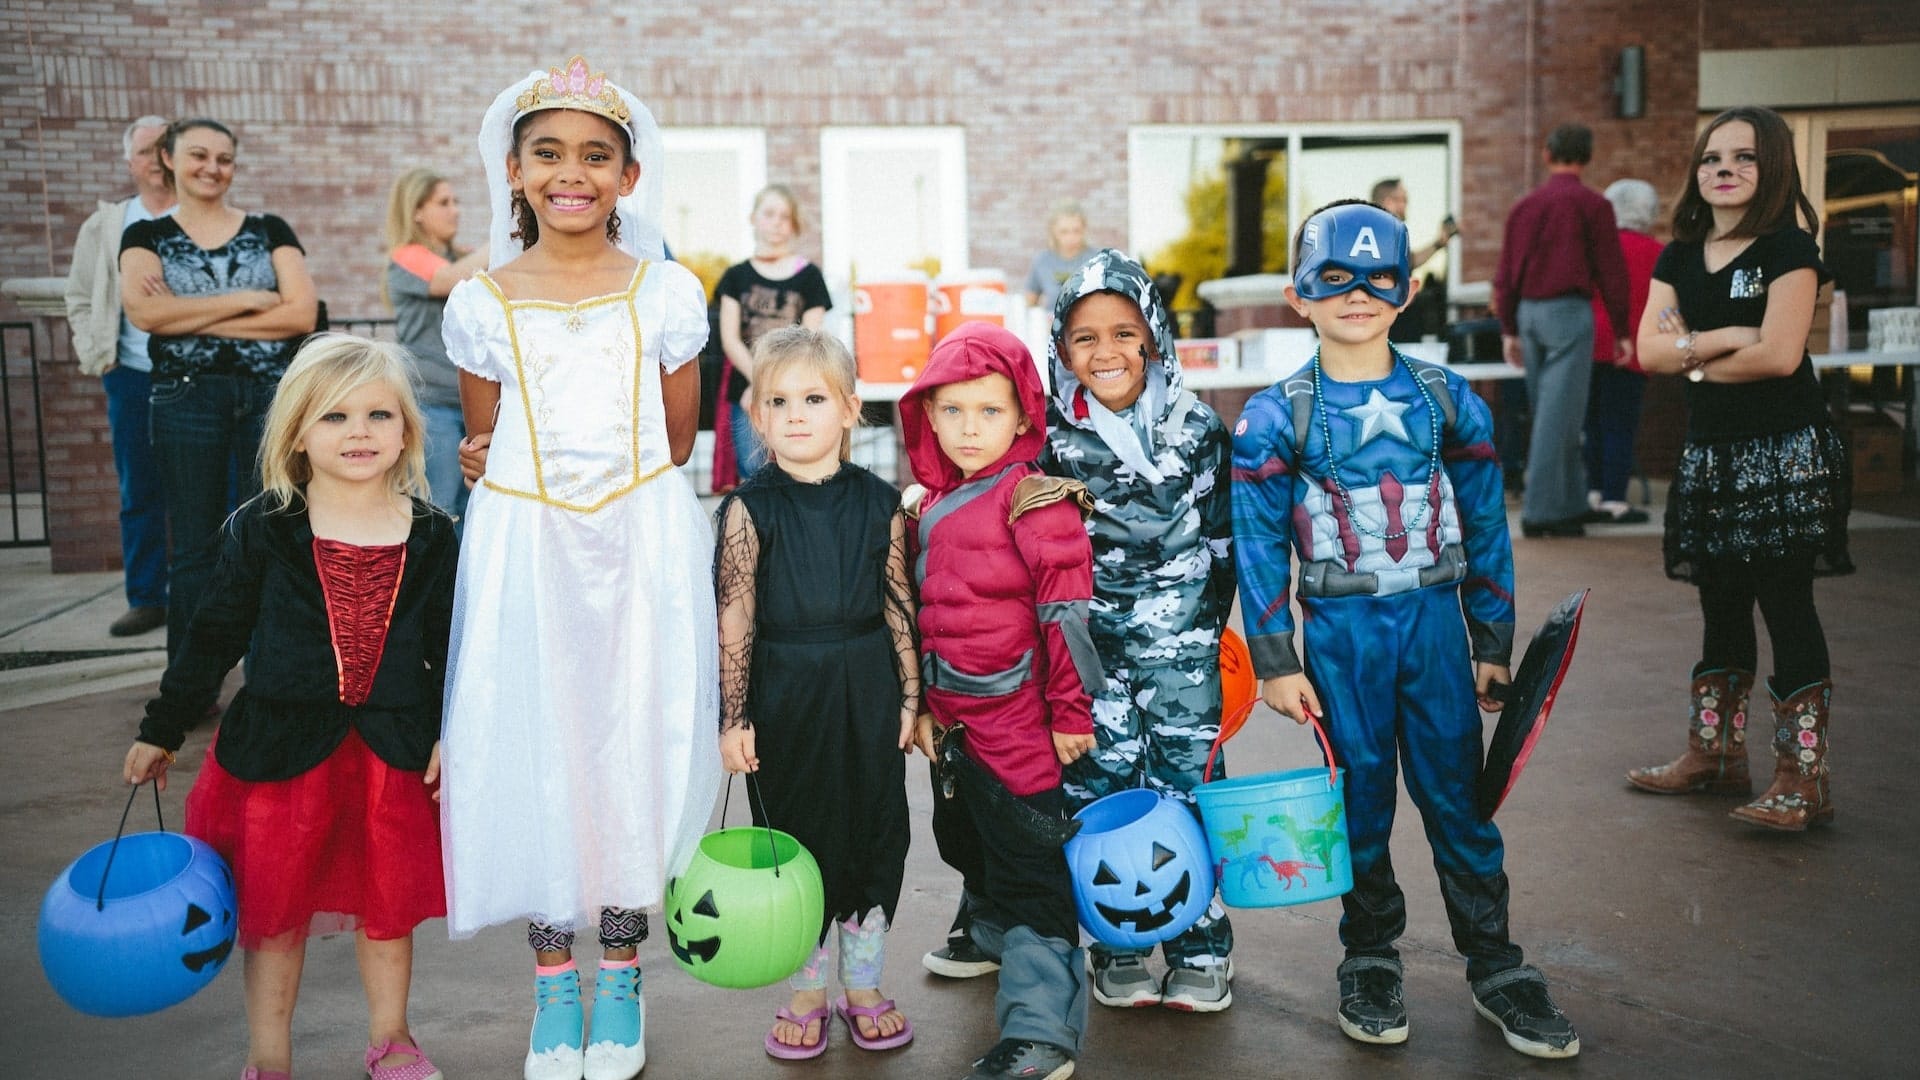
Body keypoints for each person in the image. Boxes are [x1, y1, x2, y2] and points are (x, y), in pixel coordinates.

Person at [1232, 201, 1579, 1059]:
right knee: (1358, 805)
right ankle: (1370, 954)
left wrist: (1490, 643)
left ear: (1409, 288)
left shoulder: (1446, 399)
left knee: (1459, 800)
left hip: (1431, 629)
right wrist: (1275, 660)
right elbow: (1257, 540)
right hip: (1342, 636)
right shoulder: (1275, 417)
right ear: (1296, 295)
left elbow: (1488, 526)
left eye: (1377, 277)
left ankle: (1495, 963)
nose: (1357, 294)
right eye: (1333, 278)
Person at [436, 55, 721, 1080]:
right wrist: (491, 465)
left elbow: (679, 440)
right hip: (528, 550)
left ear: (627, 179)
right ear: (514, 170)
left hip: (637, 545)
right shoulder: (479, 303)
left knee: (625, 744)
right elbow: (488, 439)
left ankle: (622, 967)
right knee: (538, 744)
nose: (573, 173)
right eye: (549, 153)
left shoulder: (667, 294)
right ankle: (554, 987)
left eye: (597, 156)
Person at [121, 334, 458, 1080]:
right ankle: (268, 1053)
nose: (360, 432)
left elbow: (450, 650)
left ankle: (392, 1037)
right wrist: (162, 730)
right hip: (279, 754)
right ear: (298, 433)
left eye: (379, 416)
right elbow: (212, 638)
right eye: (334, 418)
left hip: (392, 753)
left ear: (407, 429)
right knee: (274, 915)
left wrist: (448, 732)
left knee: (386, 906)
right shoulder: (264, 529)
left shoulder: (434, 536)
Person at [1625, 106, 1851, 832]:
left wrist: (1691, 354)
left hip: (1784, 453)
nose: (1723, 169)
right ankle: (1717, 755)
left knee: (1785, 603)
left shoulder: (1790, 250)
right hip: (1712, 455)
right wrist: (1725, 339)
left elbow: (1781, 356)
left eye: (1744, 157)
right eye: (1711, 157)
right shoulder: (1679, 257)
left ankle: (1802, 777)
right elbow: (1650, 352)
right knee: (1719, 600)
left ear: (1774, 166)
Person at [713, 326, 922, 1060]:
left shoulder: (881, 502)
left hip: (865, 685)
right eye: (779, 400)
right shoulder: (748, 508)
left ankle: (862, 986)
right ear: (758, 416)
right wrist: (733, 716)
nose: (796, 413)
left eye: (813, 397)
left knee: (874, 829)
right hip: (785, 693)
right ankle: (805, 990)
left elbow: (900, 599)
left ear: (849, 408)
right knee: (792, 837)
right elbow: (734, 617)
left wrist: (911, 697)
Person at [900, 322, 1101, 1080]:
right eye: (951, 412)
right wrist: (922, 706)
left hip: (1021, 721)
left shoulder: (1035, 501)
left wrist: (1071, 714)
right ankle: (987, 936)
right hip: (953, 723)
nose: (968, 429)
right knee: (968, 838)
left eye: (988, 411)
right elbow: (926, 615)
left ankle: (1043, 1032)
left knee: (1028, 868)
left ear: (1022, 416)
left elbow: (1067, 618)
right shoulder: (929, 505)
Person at [1042, 249, 1238, 1011]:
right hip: (1089, 660)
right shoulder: (1052, 437)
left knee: (1188, 789)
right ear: (1061, 348)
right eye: (1085, 338)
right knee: (1101, 786)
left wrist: (1198, 635)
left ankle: (1201, 947)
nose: (1107, 352)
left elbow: (1222, 545)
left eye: (1124, 332)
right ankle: (1118, 941)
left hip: (1181, 653)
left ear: (1154, 334)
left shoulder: (1196, 429)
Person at [120, 118, 317, 658]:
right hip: (186, 400)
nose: (212, 168)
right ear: (169, 160)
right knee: (195, 548)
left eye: (224, 158)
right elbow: (143, 312)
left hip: (266, 398)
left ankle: (268, 676)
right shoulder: (145, 236)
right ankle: (191, 682)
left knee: (270, 535)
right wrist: (250, 299)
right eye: (199, 155)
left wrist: (185, 316)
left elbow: (300, 313)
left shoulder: (271, 228)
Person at [63, 115, 173, 638]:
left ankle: (215, 595)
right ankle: (148, 596)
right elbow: (79, 295)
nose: (158, 159)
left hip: (196, 379)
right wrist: (97, 354)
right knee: (140, 487)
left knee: (217, 487)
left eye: (167, 148)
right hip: (130, 376)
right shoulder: (108, 223)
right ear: (130, 162)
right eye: (147, 150)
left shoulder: (196, 216)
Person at [1494, 123, 1631, 538]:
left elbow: (1505, 272)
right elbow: (1612, 271)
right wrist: (1622, 329)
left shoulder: (1525, 206)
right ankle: (1540, 513)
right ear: (1587, 157)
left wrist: (1509, 328)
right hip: (1569, 312)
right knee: (1560, 416)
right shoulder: (1594, 205)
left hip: (1530, 314)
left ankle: (1569, 505)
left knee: (1555, 412)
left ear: (1547, 154)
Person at [712, 184, 832, 492]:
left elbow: (810, 339)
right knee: (754, 472)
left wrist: (772, 386)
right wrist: (759, 384)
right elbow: (730, 339)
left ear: (794, 224)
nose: (777, 222)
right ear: (754, 218)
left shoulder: (810, 277)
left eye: (785, 216)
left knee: (796, 469)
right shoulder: (735, 277)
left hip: (795, 391)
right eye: (769, 214)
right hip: (747, 389)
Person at [384, 167, 488, 523]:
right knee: (438, 510)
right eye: (443, 202)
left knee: (476, 509)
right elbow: (446, 280)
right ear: (417, 211)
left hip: (474, 403)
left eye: (455, 201)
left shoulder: (465, 255)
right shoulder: (407, 256)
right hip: (431, 404)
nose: (455, 210)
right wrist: (502, 238)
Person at [1582, 179, 1664, 526]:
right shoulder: (1658, 252)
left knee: (1592, 425)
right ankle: (1614, 500)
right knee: (1620, 426)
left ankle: (1593, 492)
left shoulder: (1594, 247)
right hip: (1631, 347)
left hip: (1588, 345)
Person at [1371, 177, 1459, 346]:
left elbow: (1410, 261)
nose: (1406, 205)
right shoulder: (1378, 233)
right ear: (1389, 202)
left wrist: (1438, 243)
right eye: (1403, 199)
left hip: (1399, 318)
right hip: (1393, 321)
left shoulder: (1391, 232)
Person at [1022, 200, 1095, 316]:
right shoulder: (1042, 261)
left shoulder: (1097, 259)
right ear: (1053, 232)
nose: (1071, 237)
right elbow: (1030, 303)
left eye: (1076, 231)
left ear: (1084, 230)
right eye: (1064, 232)